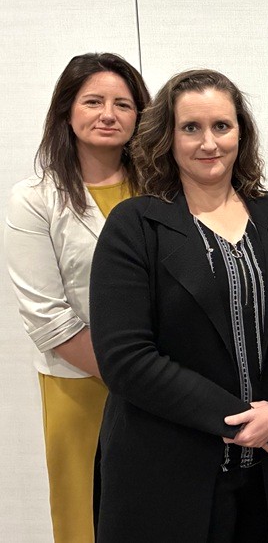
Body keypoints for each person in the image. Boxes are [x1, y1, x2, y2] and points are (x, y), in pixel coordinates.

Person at [89, 69, 268, 542]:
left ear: (241, 132)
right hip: (167, 470)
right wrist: (238, 418)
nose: (209, 143)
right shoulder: (135, 225)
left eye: (221, 126)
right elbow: (125, 358)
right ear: (168, 136)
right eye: (191, 128)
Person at [5, 53, 148, 543]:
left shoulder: (165, 190)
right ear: (66, 111)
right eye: (93, 101)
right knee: (86, 517)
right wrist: (138, 378)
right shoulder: (35, 198)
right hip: (81, 383)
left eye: (123, 104)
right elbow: (49, 319)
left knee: (163, 511)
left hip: (171, 379)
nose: (108, 114)